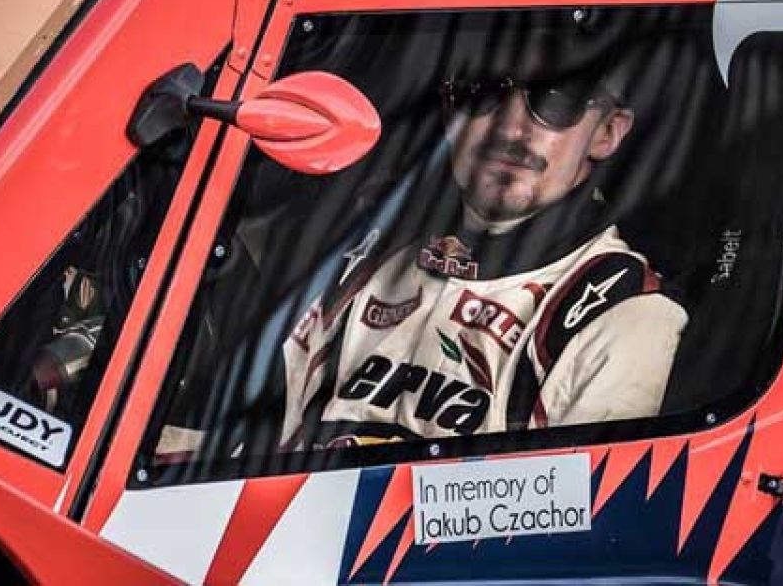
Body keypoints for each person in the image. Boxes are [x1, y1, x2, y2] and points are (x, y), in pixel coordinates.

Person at [277, 56, 689, 450]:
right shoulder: (361, 256)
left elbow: (578, 497)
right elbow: (261, 449)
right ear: (448, 111)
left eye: (554, 100)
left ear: (607, 132)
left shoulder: (627, 310)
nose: (509, 131)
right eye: (482, 91)